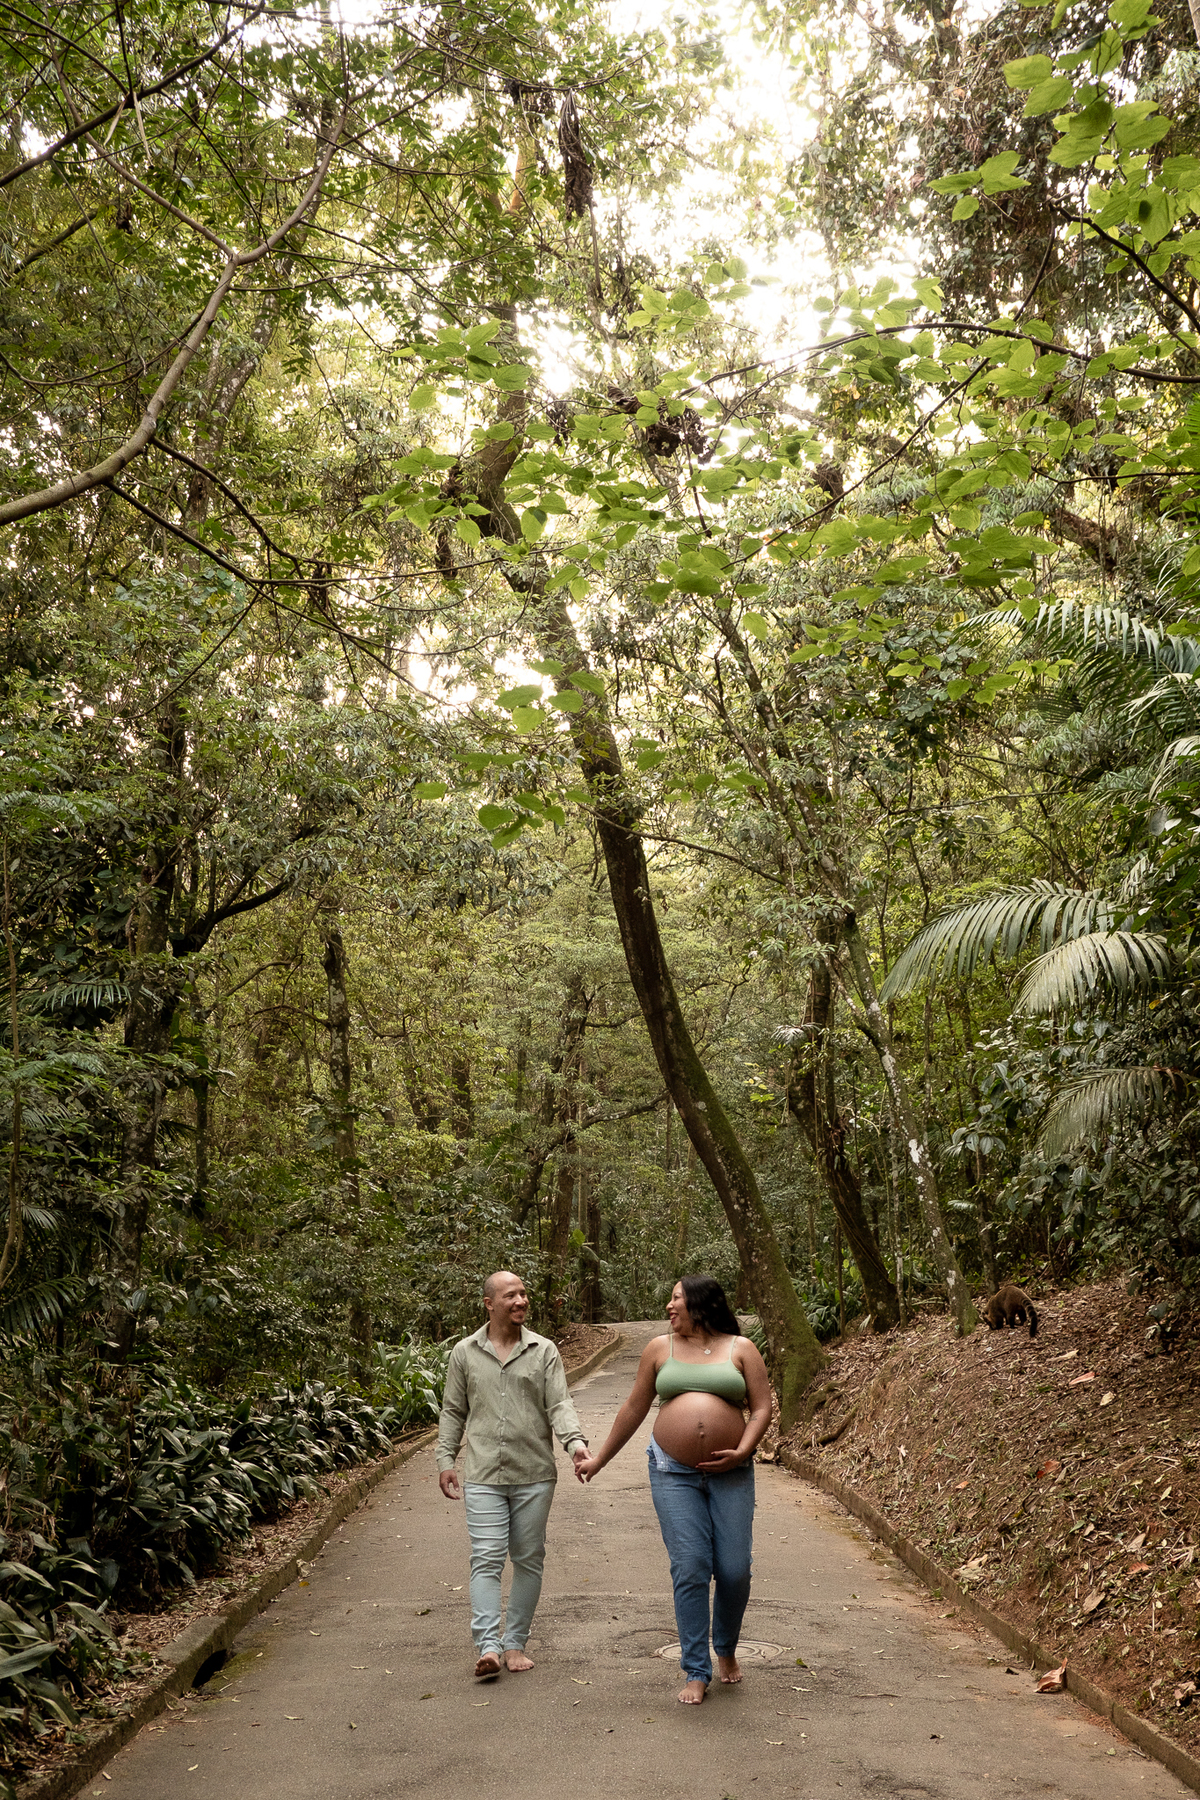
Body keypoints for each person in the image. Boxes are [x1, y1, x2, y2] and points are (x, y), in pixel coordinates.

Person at [576, 1273, 771, 1705]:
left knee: (736, 1570)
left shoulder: (741, 1349)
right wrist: (600, 1459)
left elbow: (762, 1407)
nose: (669, 1306)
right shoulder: (658, 1349)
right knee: (691, 1566)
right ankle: (696, 1669)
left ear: (700, 1304)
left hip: (732, 1471)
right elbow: (633, 1408)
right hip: (672, 1472)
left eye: (676, 1298)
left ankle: (726, 1647)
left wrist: (741, 1451)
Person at [437, 1270, 589, 1679]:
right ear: (489, 1304)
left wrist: (575, 1444)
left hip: (534, 1473)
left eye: (524, 1294)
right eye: (511, 1295)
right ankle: (488, 1646)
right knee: (486, 1558)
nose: (521, 1300)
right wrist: (445, 1460)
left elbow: (559, 1404)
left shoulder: (544, 1350)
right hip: (484, 1473)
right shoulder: (464, 1353)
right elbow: (453, 1410)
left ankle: (515, 1642)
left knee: (527, 1558)